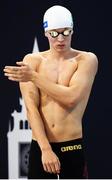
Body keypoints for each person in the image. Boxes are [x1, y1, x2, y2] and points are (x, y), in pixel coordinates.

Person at [4, 5, 98, 179]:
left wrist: (33, 77)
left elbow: (71, 98)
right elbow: (31, 108)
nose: (60, 39)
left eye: (65, 32)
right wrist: (45, 149)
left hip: (72, 146)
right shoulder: (32, 60)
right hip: (40, 147)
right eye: (54, 33)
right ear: (46, 33)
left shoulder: (86, 60)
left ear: (72, 31)